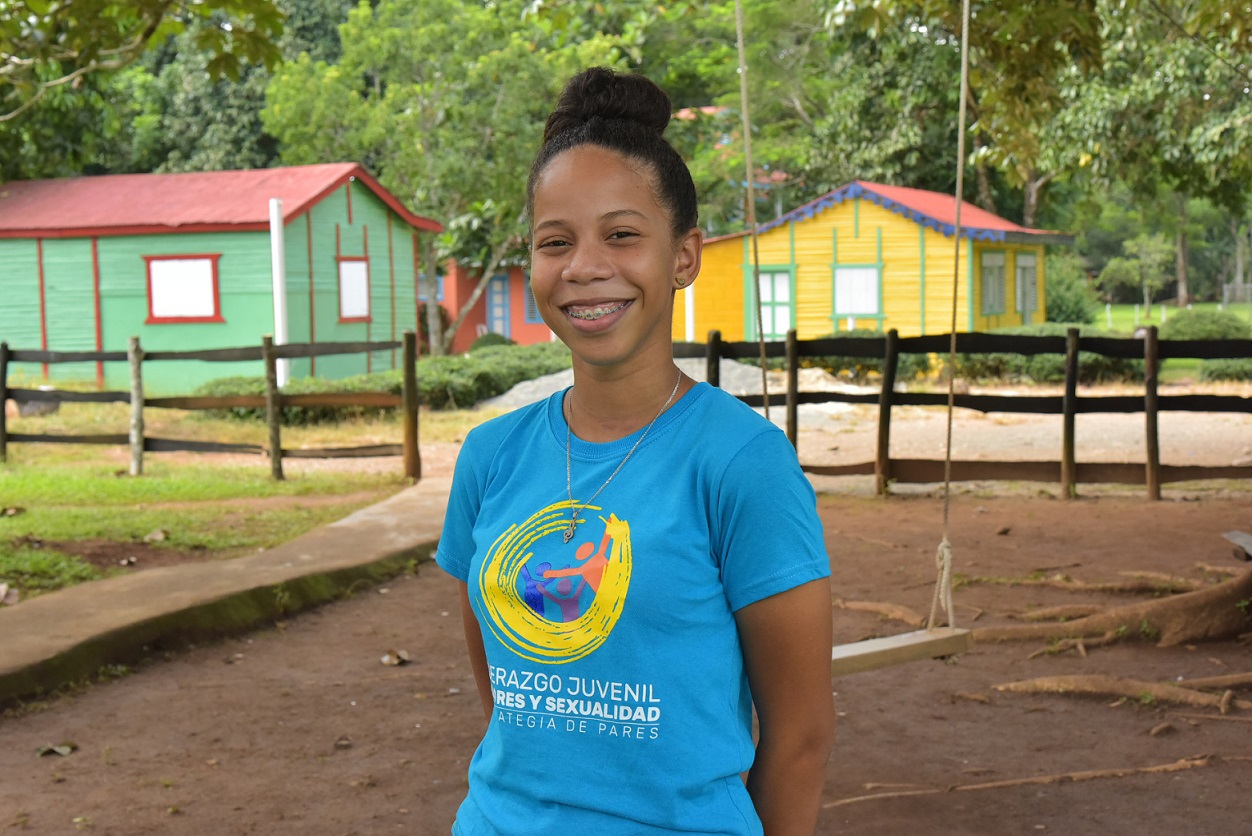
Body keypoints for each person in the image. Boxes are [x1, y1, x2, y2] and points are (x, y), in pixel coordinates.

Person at [436, 66, 835, 835]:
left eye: (622, 234)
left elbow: (800, 739)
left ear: (684, 256)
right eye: (557, 242)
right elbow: (510, 700)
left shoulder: (742, 464)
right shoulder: (489, 458)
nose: (585, 267)